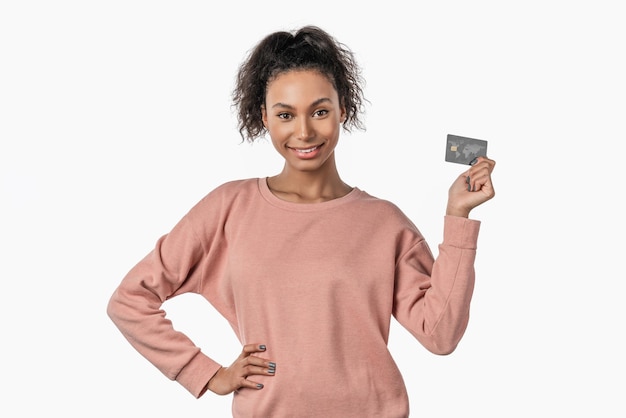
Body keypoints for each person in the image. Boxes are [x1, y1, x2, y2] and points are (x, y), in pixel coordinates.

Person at [107, 25, 496, 418]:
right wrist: (207, 374)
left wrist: (458, 215)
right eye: (286, 114)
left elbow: (440, 334)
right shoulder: (228, 208)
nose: (304, 131)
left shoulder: (384, 223)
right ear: (264, 117)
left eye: (321, 111)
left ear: (343, 109)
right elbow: (130, 300)